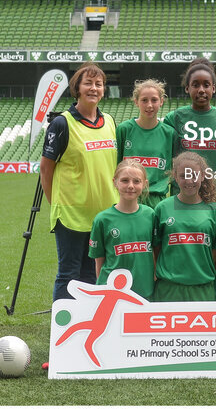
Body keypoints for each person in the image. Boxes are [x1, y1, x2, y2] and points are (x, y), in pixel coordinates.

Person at [40, 62, 117, 301]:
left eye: (99, 84)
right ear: (77, 88)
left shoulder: (111, 122)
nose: (94, 88)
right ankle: (63, 329)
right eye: (88, 83)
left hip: (103, 213)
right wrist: (56, 204)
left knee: (92, 274)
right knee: (68, 274)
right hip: (71, 214)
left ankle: (86, 324)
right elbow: (46, 168)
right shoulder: (62, 123)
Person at [151, 151, 216, 302]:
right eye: (183, 176)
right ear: (175, 177)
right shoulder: (162, 208)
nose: (189, 181)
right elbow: (156, 249)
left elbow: (213, 255)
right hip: (169, 289)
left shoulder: (213, 210)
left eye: (194, 175)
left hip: (202, 288)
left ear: (202, 176)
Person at [164, 58, 216, 208]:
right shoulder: (174, 118)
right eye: (196, 85)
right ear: (187, 88)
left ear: (213, 88)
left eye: (206, 85)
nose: (201, 90)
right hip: (184, 190)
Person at [88, 159, 156, 300]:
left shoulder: (151, 215)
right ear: (115, 182)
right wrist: (103, 290)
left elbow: (156, 253)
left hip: (145, 292)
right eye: (125, 180)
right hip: (113, 294)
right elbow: (99, 262)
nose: (130, 186)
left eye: (136, 181)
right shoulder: (102, 220)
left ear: (145, 184)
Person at [116, 79, 175, 208]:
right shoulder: (124, 129)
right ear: (136, 102)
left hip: (157, 200)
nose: (149, 105)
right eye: (144, 100)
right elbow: (117, 164)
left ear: (161, 102)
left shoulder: (169, 133)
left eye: (154, 100)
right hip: (128, 197)